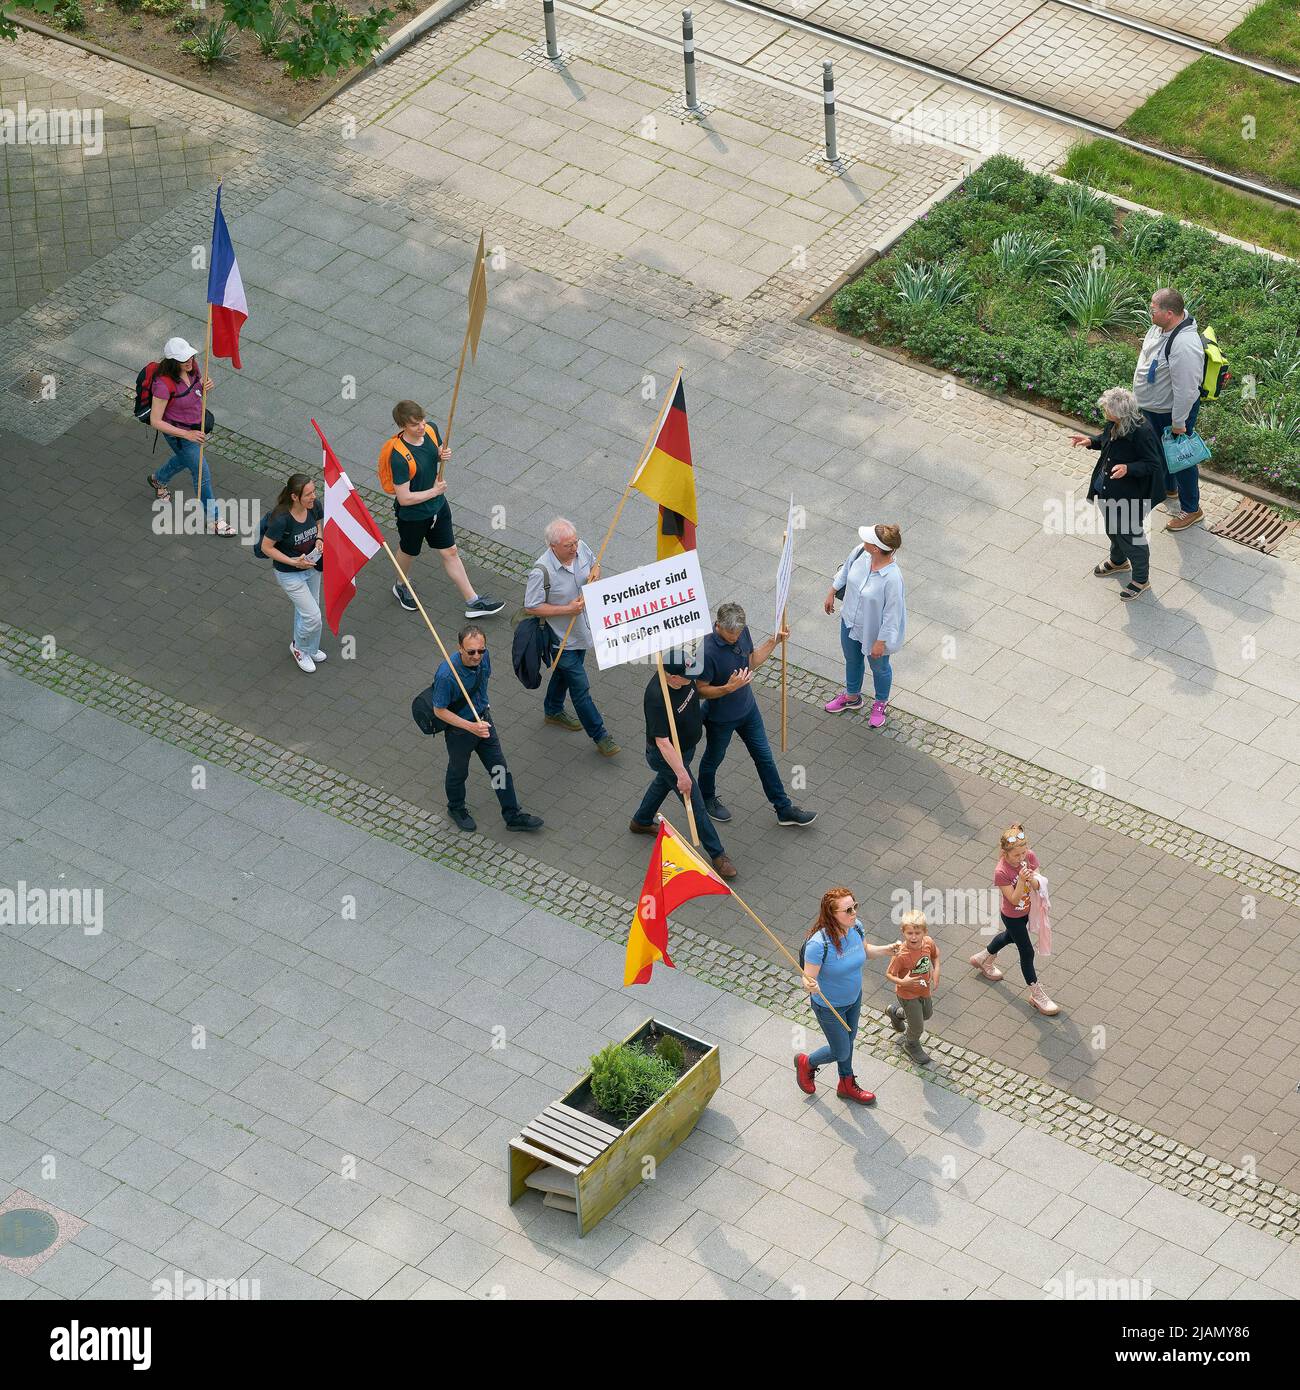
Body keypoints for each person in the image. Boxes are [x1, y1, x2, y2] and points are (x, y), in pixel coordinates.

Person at [694, 603, 816, 827]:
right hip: (720, 719)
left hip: (748, 710)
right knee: (713, 759)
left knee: (764, 757)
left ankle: (783, 808)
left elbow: (750, 662)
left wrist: (774, 641)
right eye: (732, 634)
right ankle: (706, 798)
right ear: (718, 626)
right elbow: (700, 690)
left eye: (739, 633)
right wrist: (727, 688)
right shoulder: (706, 652)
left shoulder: (742, 632)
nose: (736, 637)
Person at [385, 400, 503, 618]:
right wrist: (434, 491)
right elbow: (404, 498)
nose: (421, 427)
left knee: (450, 551)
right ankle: (401, 584)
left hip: (438, 508)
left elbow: (435, 453)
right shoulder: (399, 457)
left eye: (421, 420)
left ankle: (473, 601)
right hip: (413, 516)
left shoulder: (431, 429)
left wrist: (442, 455)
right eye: (414, 425)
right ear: (402, 426)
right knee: (408, 551)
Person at [630, 657, 737, 880]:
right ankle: (718, 855)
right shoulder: (657, 698)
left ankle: (640, 821)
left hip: (685, 749)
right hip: (668, 757)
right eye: (687, 678)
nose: (692, 681)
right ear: (673, 677)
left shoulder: (682, 675)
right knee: (694, 804)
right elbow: (662, 742)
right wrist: (681, 774)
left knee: (662, 783)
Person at [795, 887, 901, 1103]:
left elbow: (865, 952)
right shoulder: (818, 944)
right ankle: (807, 1062)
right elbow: (807, 978)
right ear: (832, 915)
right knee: (841, 1051)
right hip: (829, 1007)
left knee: (849, 1042)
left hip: (854, 998)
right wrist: (809, 984)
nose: (854, 913)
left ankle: (846, 1083)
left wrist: (888, 949)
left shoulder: (856, 928)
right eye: (848, 910)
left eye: (855, 907)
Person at [432, 625, 543, 834]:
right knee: (458, 772)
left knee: (499, 769)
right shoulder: (446, 675)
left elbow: (483, 682)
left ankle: (512, 815)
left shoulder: (485, 657)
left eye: (481, 650)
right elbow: (439, 710)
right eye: (471, 651)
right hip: (461, 731)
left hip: (484, 723)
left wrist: (484, 710)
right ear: (460, 649)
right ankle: (456, 808)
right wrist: (471, 727)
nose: (477, 656)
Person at [523, 518, 619, 757]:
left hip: (581, 631)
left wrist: (595, 576)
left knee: (563, 674)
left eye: (575, 542)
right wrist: (567, 609)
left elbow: (596, 565)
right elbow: (531, 607)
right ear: (552, 546)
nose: (574, 548)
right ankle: (600, 735)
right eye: (568, 546)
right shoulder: (541, 571)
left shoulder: (581, 548)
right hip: (559, 639)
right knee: (580, 688)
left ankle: (553, 710)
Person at [1070, 386, 1166, 601]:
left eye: (1107, 410)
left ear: (1120, 412)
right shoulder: (1115, 423)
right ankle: (1118, 561)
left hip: (1130, 495)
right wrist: (1091, 442)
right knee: (1112, 529)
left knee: (1132, 537)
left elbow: (1153, 464)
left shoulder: (1142, 432)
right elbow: (1106, 439)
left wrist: (1128, 469)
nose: (1105, 412)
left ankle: (1141, 580)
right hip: (1108, 489)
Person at [1132, 288, 1206, 533]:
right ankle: (1169, 489)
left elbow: (1186, 390)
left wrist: (1178, 422)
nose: (1149, 311)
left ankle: (1191, 508)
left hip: (1170, 412)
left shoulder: (1185, 346)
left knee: (1181, 457)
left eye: (1153, 308)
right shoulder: (1160, 327)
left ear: (1170, 313)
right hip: (1155, 407)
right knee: (1162, 452)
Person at [145, 336, 235, 536]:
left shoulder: (193, 368)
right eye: (184, 359)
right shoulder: (163, 385)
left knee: (186, 461)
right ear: (172, 362)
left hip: (196, 427)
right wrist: (187, 434)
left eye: (191, 356)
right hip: (181, 435)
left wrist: (204, 387)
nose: (190, 361)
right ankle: (214, 520)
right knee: (202, 474)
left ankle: (158, 479)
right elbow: (156, 421)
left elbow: (195, 395)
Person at [970, 823, 1060, 1016]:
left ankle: (983, 958)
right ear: (1004, 853)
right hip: (1012, 915)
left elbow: (1039, 885)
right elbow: (1013, 899)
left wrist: (1031, 879)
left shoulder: (1029, 856)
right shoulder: (1001, 872)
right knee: (1026, 951)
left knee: (1009, 938)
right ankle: (1036, 994)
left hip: (1028, 911)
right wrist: (1021, 880)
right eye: (1016, 856)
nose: (1021, 858)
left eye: (1023, 853)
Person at [823, 524, 905, 728]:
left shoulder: (892, 578)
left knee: (880, 668)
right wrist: (832, 591)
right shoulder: (860, 551)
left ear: (877, 548)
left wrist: (880, 642)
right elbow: (845, 571)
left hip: (874, 632)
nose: (864, 540)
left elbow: (892, 614)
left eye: (868, 539)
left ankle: (880, 703)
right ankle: (852, 697)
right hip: (850, 620)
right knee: (852, 659)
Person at [260, 473, 326, 673]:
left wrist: (320, 539)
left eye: (314, 491)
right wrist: (293, 562)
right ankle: (299, 648)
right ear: (294, 497)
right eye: (308, 494)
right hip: (289, 572)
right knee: (313, 616)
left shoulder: (314, 506)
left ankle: (310, 648)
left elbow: (319, 523)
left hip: (312, 565)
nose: (313, 496)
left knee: (307, 610)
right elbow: (266, 547)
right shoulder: (281, 519)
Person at [885, 909, 940, 1066]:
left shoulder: (928, 942)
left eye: (917, 932)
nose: (914, 937)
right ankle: (911, 1044)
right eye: (910, 933)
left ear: (925, 932)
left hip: (924, 990)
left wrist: (936, 972)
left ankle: (896, 1013)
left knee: (927, 1014)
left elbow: (936, 956)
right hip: (907, 994)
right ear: (903, 932)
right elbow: (889, 974)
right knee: (917, 1027)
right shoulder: (901, 955)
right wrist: (904, 983)